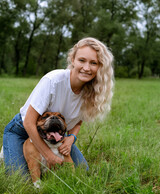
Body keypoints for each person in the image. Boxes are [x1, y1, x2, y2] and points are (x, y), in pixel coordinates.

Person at [3, 37, 114, 175]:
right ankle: (8, 150)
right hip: (23, 131)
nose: (86, 68)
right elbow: (29, 122)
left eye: (93, 63)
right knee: (20, 179)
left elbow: (78, 121)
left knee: (82, 171)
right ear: (73, 60)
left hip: (55, 136)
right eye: (82, 60)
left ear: (100, 67)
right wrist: (49, 156)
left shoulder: (91, 92)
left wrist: (71, 138)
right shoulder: (53, 80)